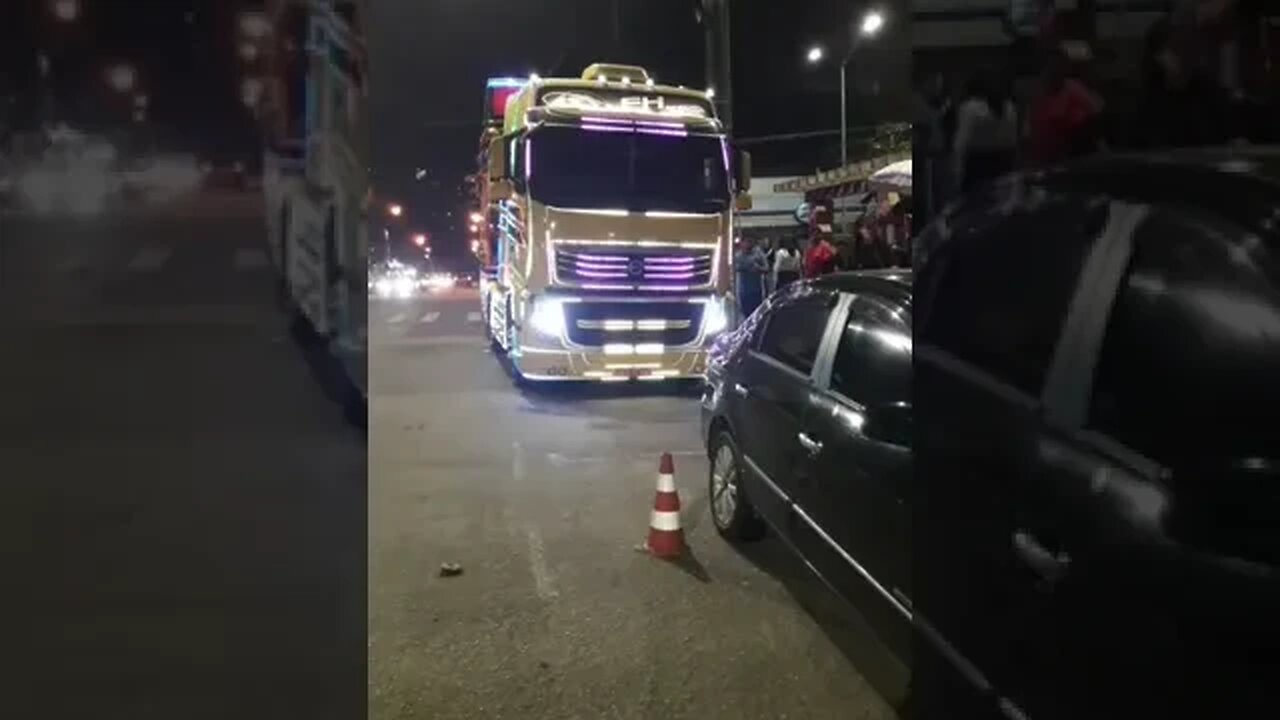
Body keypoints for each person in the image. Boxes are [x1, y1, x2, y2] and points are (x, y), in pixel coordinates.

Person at [951, 69, 1019, 195]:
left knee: (977, 206)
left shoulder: (970, 108)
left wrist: (957, 172)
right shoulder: (1009, 106)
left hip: (979, 165)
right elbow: (1013, 139)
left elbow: (961, 143)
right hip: (1005, 162)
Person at [733, 237, 768, 319]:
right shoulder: (737, 256)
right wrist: (742, 268)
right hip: (743, 291)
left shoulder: (758, 254)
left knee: (757, 315)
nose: (747, 244)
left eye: (749, 242)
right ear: (741, 243)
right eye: (745, 242)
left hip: (756, 291)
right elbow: (733, 269)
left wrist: (758, 268)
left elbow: (767, 268)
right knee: (745, 315)